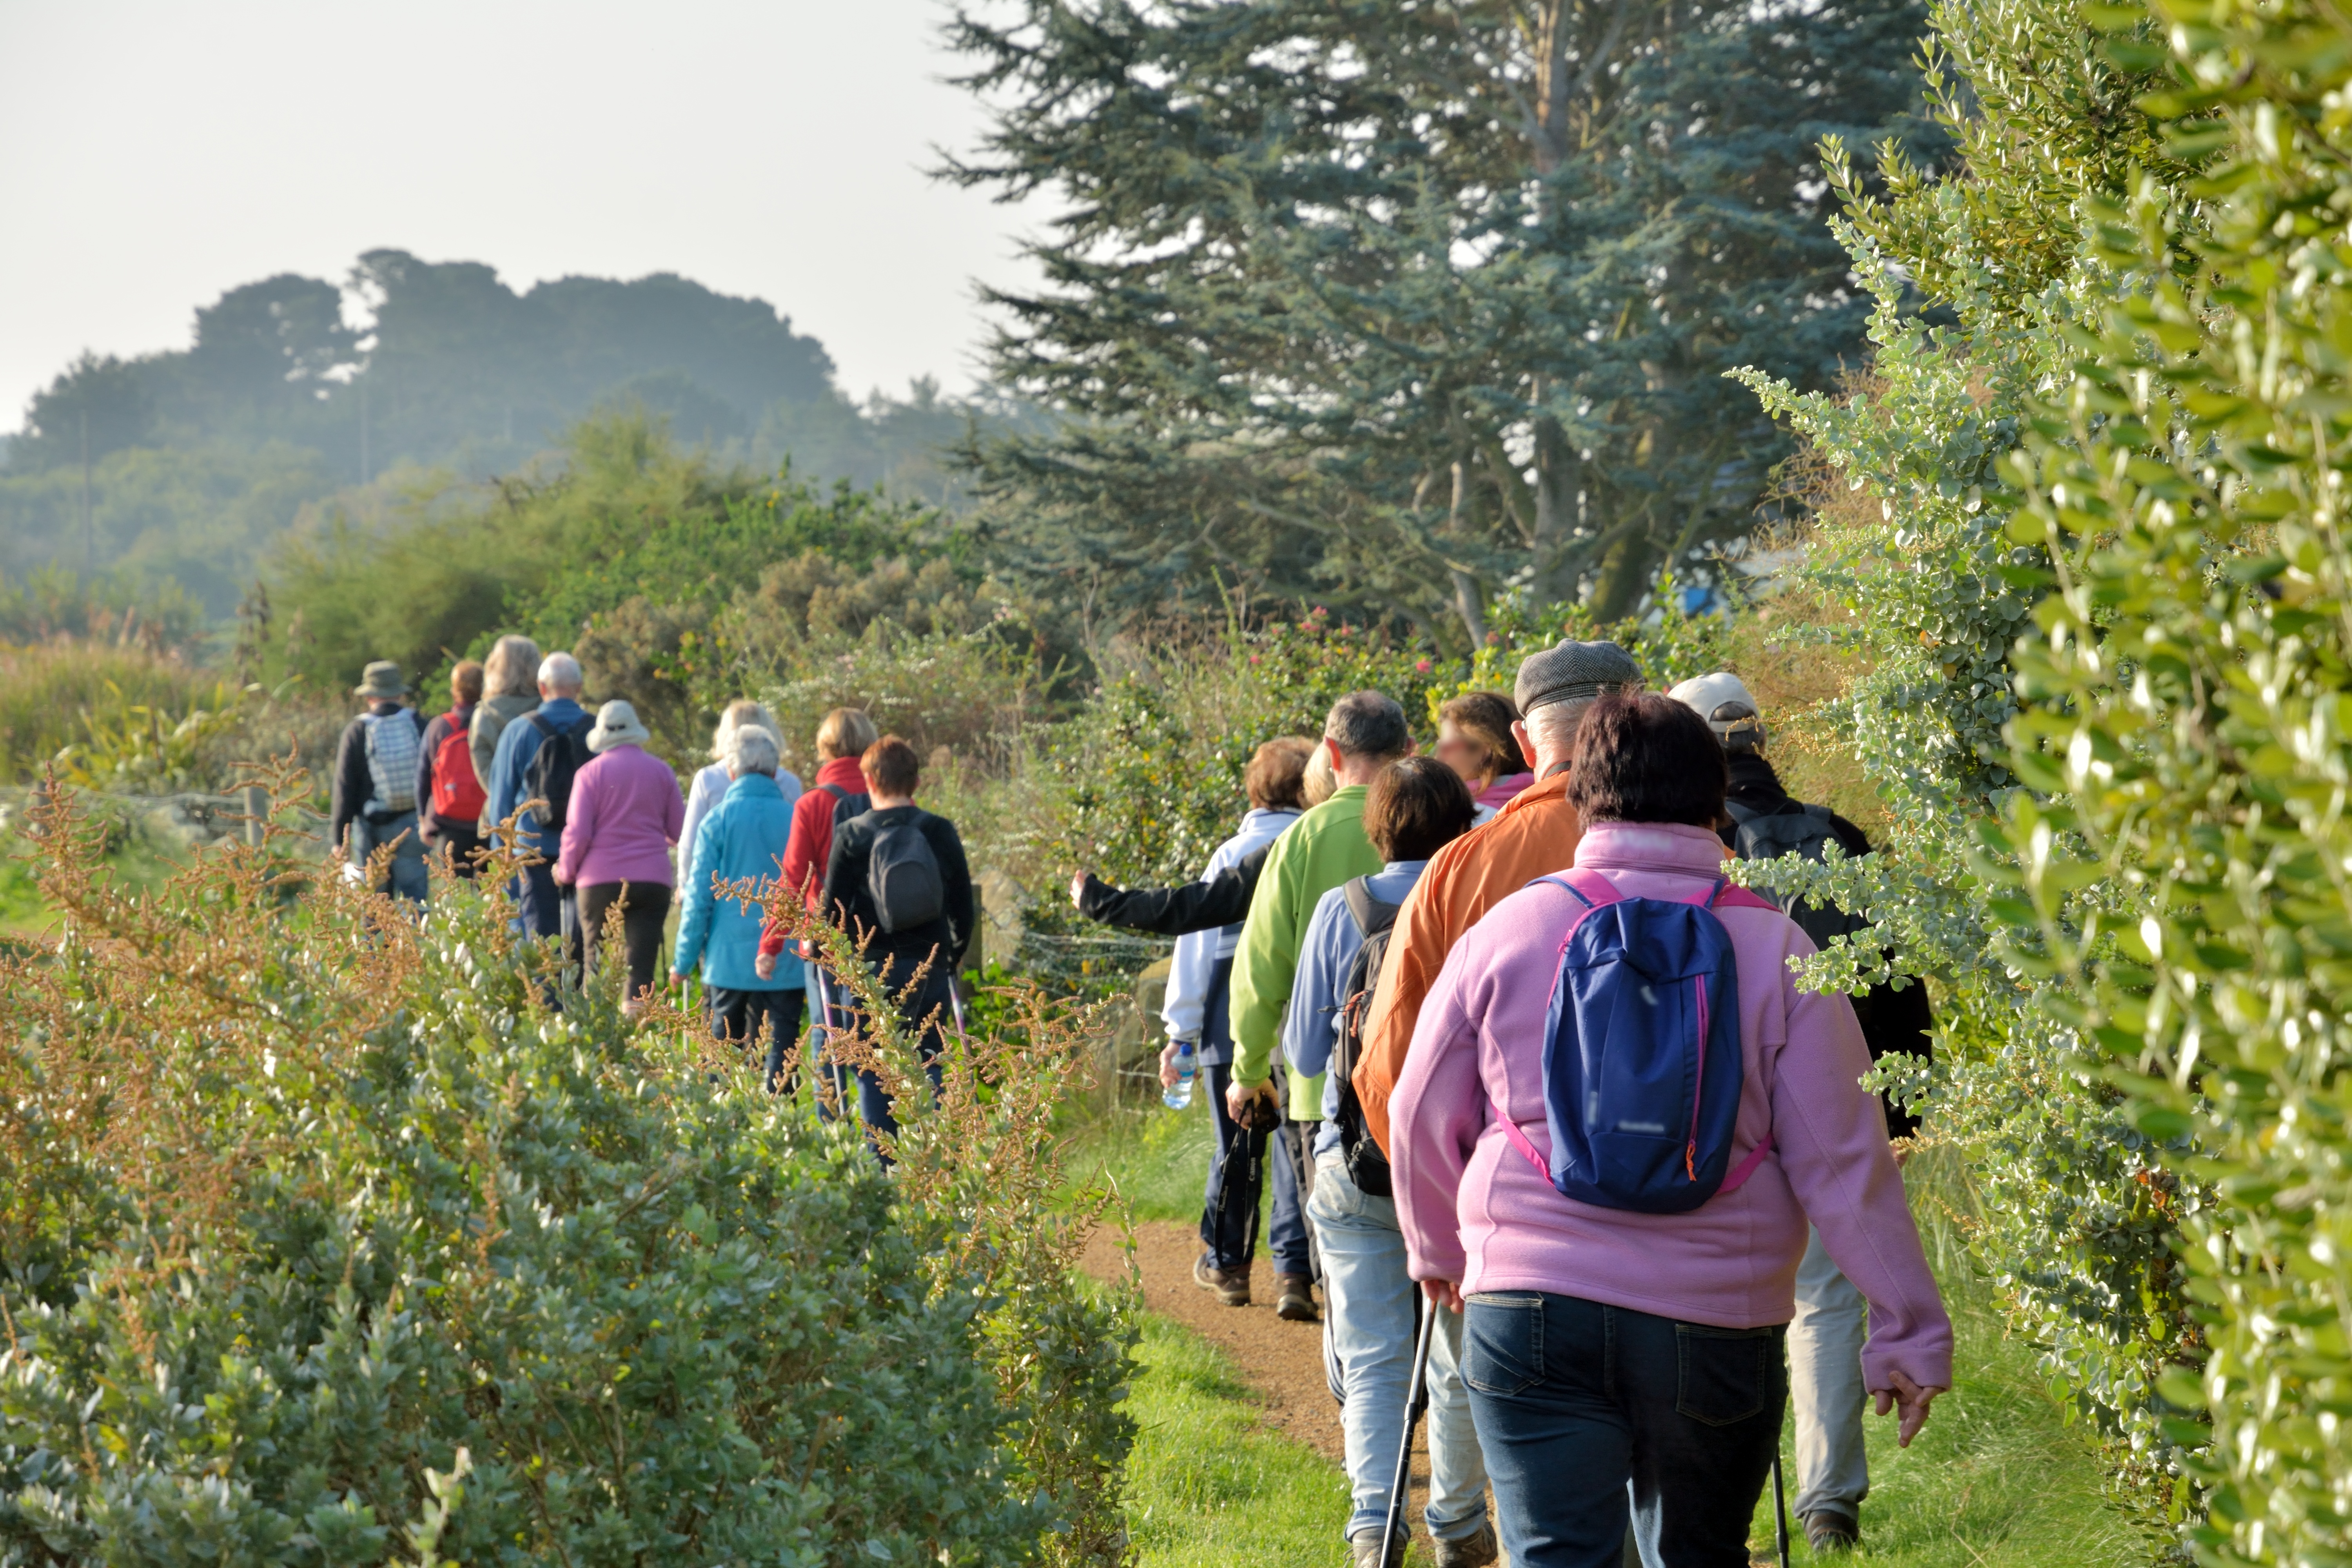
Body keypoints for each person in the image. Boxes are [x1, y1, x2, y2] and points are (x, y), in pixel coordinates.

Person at [1389, 693, 1952, 1568]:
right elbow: (1845, 1158)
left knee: (1554, 1555)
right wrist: (1907, 1327)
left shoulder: (1506, 931)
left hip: (1530, 1299)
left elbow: (1421, 1105)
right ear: (1716, 801)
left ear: (1582, 797)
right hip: (1716, 1317)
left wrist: (1438, 1248)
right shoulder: (1780, 950)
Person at [1669, 669, 1935, 1554]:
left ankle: (1723, 1506)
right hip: (1835, 1106)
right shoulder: (1836, 836)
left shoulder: (1697, 846)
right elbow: (1896, 978)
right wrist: (1901, 1112)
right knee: (1825, 1300)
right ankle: (1827, 1501)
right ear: (1760, 738)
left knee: (1723, 1305)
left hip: (1723, 1116)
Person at [1287, 757, 1494, 1568]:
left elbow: (1306, 1045)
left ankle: (1374, 1524)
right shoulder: (1481, 906)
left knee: (1373, 1353)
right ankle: (1454, 1519)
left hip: (1357, 1160)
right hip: (1459, 1164)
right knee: (1456, 1346)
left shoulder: (1342, 912)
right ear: (1462, 824)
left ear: (1376, 825)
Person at [1353, 640, 1644, 1158]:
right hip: (1697, 1193)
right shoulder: (1722, 855)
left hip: (1518, 1185)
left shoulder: (1459, 866)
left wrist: (1460, 1189)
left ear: (1523, 742)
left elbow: (1389, 1063)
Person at [1225, 691, 1412, 1321]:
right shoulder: (1445, 827)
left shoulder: (1303, 838)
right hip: (1427, 1083)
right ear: (1407, 752)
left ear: (1330, 754)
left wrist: (1249, 1071)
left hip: (1322, 1091)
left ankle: (1364, 1402)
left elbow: (1261, 968)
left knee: (1351, 1285)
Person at [1145, 737, 1314, 1309]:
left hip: (1228, 1021)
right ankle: (1294, 1272)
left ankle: (1229, 1266)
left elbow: (1195, 951)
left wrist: (1180, 1034)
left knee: (1237, 1146)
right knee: (1295, 1146)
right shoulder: (1311, 845)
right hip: (1298, 1017)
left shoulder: (1231, 853)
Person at [818, 734, 975, 1151]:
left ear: (868, 780)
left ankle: (884, 1167)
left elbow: (830, 912)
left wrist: (821, 951)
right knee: (930, 1060)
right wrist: (952, 955)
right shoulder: (939, 830)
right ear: (917, 782)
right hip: (929, 965)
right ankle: (934, 1160)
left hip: (869, 973)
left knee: (872, 1069)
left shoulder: (851, 834)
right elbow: (963, 906)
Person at [671, 722, 806, 1087]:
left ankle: (726, 1120)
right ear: (776, 772)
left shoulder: (717, 820)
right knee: (785, 1041)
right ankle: (783, 1121)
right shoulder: (796, 817)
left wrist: (683, 960)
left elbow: (699, 898)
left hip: (727, 954)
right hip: (786, 950)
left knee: (724, 1043)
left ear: (731, 772)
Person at [554, 699, 684, 1015]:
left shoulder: (589, 774)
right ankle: (636, 1046)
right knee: (640, 970)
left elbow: (579, 833)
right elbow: (679, 830)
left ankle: (595, 1041)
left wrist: (566, 871)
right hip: (651, 879)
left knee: (593, 962)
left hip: (599, 881)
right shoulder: (661, 771)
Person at [486, 651, 592, 948]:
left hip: (531, 852)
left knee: (539, 943)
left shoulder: (518, 731)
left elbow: (502, 799)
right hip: (588, 854)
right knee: (585, 945)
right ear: (579, 688)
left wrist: (502, 852)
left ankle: (546, 996)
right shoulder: (597, 731)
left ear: (542, 688)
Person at [328, 660, 431, 903]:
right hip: (413, 825)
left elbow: (345, 788)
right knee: (415, 900)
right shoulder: (418, 723)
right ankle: (414, 940)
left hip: (371, 827)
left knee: (375, 901)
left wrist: (339, 839)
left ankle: (378, 941)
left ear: (369, 696)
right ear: (400, 694)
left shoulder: (357, 730)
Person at [681, 700, 803, 902]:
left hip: (722, 892)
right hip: (778, 895)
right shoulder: (789, 782)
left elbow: (690, 841)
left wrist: (686, 889)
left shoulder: (707, 779)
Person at [416, 660, 487, 876]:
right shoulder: (493, 722)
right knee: (495, 897)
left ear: (455, 692)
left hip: (450, 824)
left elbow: (422, 776)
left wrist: (423, 820)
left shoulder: (440, 726)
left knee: (457, 898)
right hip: (489, 823)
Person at [1433, 691, 1533, 823]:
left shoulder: (1472, 818)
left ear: (1483, 753)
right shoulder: (1543, 797)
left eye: (1446, 748)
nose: (1437, 758)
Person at [470, 634, 543, 803]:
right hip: (554, 807)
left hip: (506, 811)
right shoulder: (548, 705)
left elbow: (486, 772)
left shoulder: (485, 714)